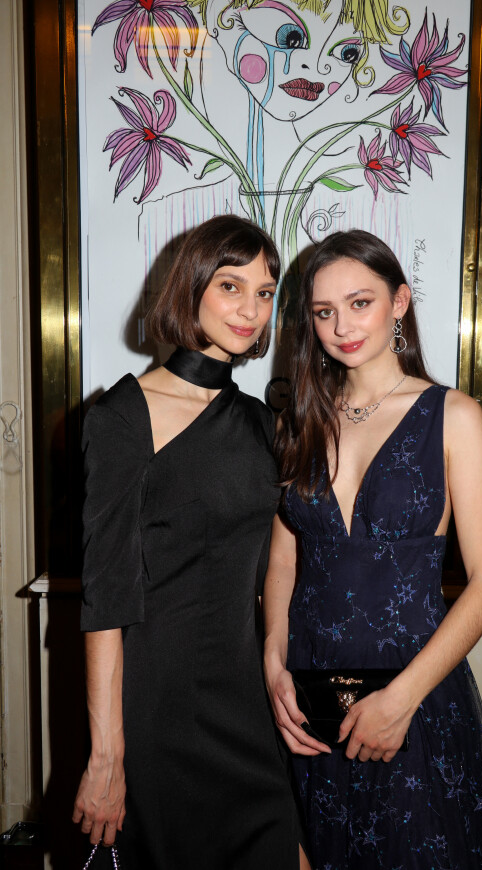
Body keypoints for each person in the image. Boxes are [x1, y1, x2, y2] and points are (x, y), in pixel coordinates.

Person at [263, 230, 482, 868]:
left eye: (360, 302)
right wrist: (273, 664)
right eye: (324, 312)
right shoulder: (300, 420)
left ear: (399, 302)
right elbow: (285, 559)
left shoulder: (453, 415)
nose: (342, 326)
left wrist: (401, 699)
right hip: (310, 694)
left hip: (413, 691)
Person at [72, 215, 307, 869]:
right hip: (159, 710)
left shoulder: (266, 427)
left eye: (265, 292)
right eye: (231, 286)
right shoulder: (122, 417)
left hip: (248, 706)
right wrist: (106, 755)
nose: (250, 309)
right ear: (192, 286)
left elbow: (286, 570)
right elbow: (106, 598)